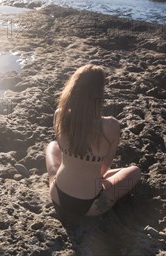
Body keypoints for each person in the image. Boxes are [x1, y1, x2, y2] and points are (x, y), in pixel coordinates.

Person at [45, 65, 140, 218]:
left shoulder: (59, 115)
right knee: (134, 171)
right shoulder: (111, 126)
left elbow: (62, 149)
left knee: (52, 146)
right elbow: (102, 171)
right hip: (91, 206)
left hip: (57, 194)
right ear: (100, 93)